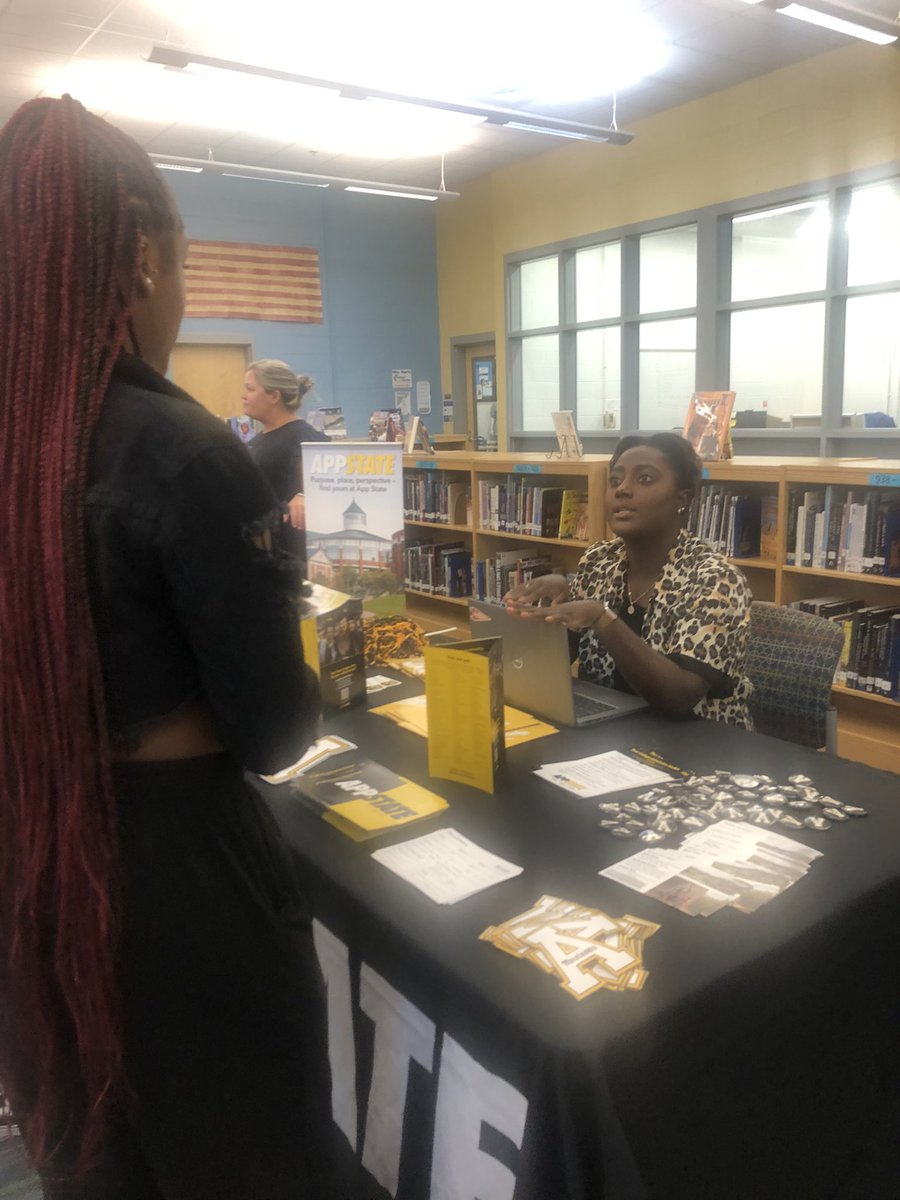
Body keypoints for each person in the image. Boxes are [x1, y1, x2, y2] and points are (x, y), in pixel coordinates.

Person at [0, 96, 340, 1198]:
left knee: (92, 1157)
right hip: (178, 881)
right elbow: (275, 732)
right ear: (144, 261)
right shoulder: (183, 453)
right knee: (246, 1158)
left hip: (31, 859)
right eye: (186, 269)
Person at [504, 432, 753, 727]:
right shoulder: (599, 561)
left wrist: (601, 616)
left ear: (681, 498)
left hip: (700, 746)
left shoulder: (715, 579)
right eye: (615, 480)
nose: (622, 490)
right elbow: (555, 661)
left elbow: (680, 697)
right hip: (609, 734)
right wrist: (540, 612)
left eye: (644, 479)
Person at [243, 359, 327, 576]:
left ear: (274, 396)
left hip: (293, 556)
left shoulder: (305, 437)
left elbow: (328, 490)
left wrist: (305, 495)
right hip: (262, 551)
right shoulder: (256, 440)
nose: (243, 396)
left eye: (250, 389)